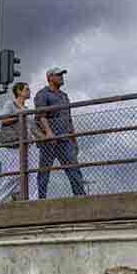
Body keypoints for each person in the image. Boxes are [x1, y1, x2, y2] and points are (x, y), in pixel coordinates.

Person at [31, 67, 85, 198]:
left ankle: (80, 197)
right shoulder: (42, 94)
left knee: (74, 169)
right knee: (44, 172)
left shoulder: (64, 96)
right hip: (49, 141)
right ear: (50, 78)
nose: (61, 77)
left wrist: (74, 139)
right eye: (58, 75)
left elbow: (68, 119)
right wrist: (49, 132)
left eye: (62, 75)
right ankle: (41, 199)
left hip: (65, 139)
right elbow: (41, 116)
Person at [0, 81, 25, 202]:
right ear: (19, 91)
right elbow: (3, 119)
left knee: (26, 173)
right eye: (26, 89)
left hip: (24, 144)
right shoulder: (11, 104)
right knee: (15, 172)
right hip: (12, 143)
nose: (29, 91)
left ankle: (17, 196)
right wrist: (19, 116)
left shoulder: (25, 108)